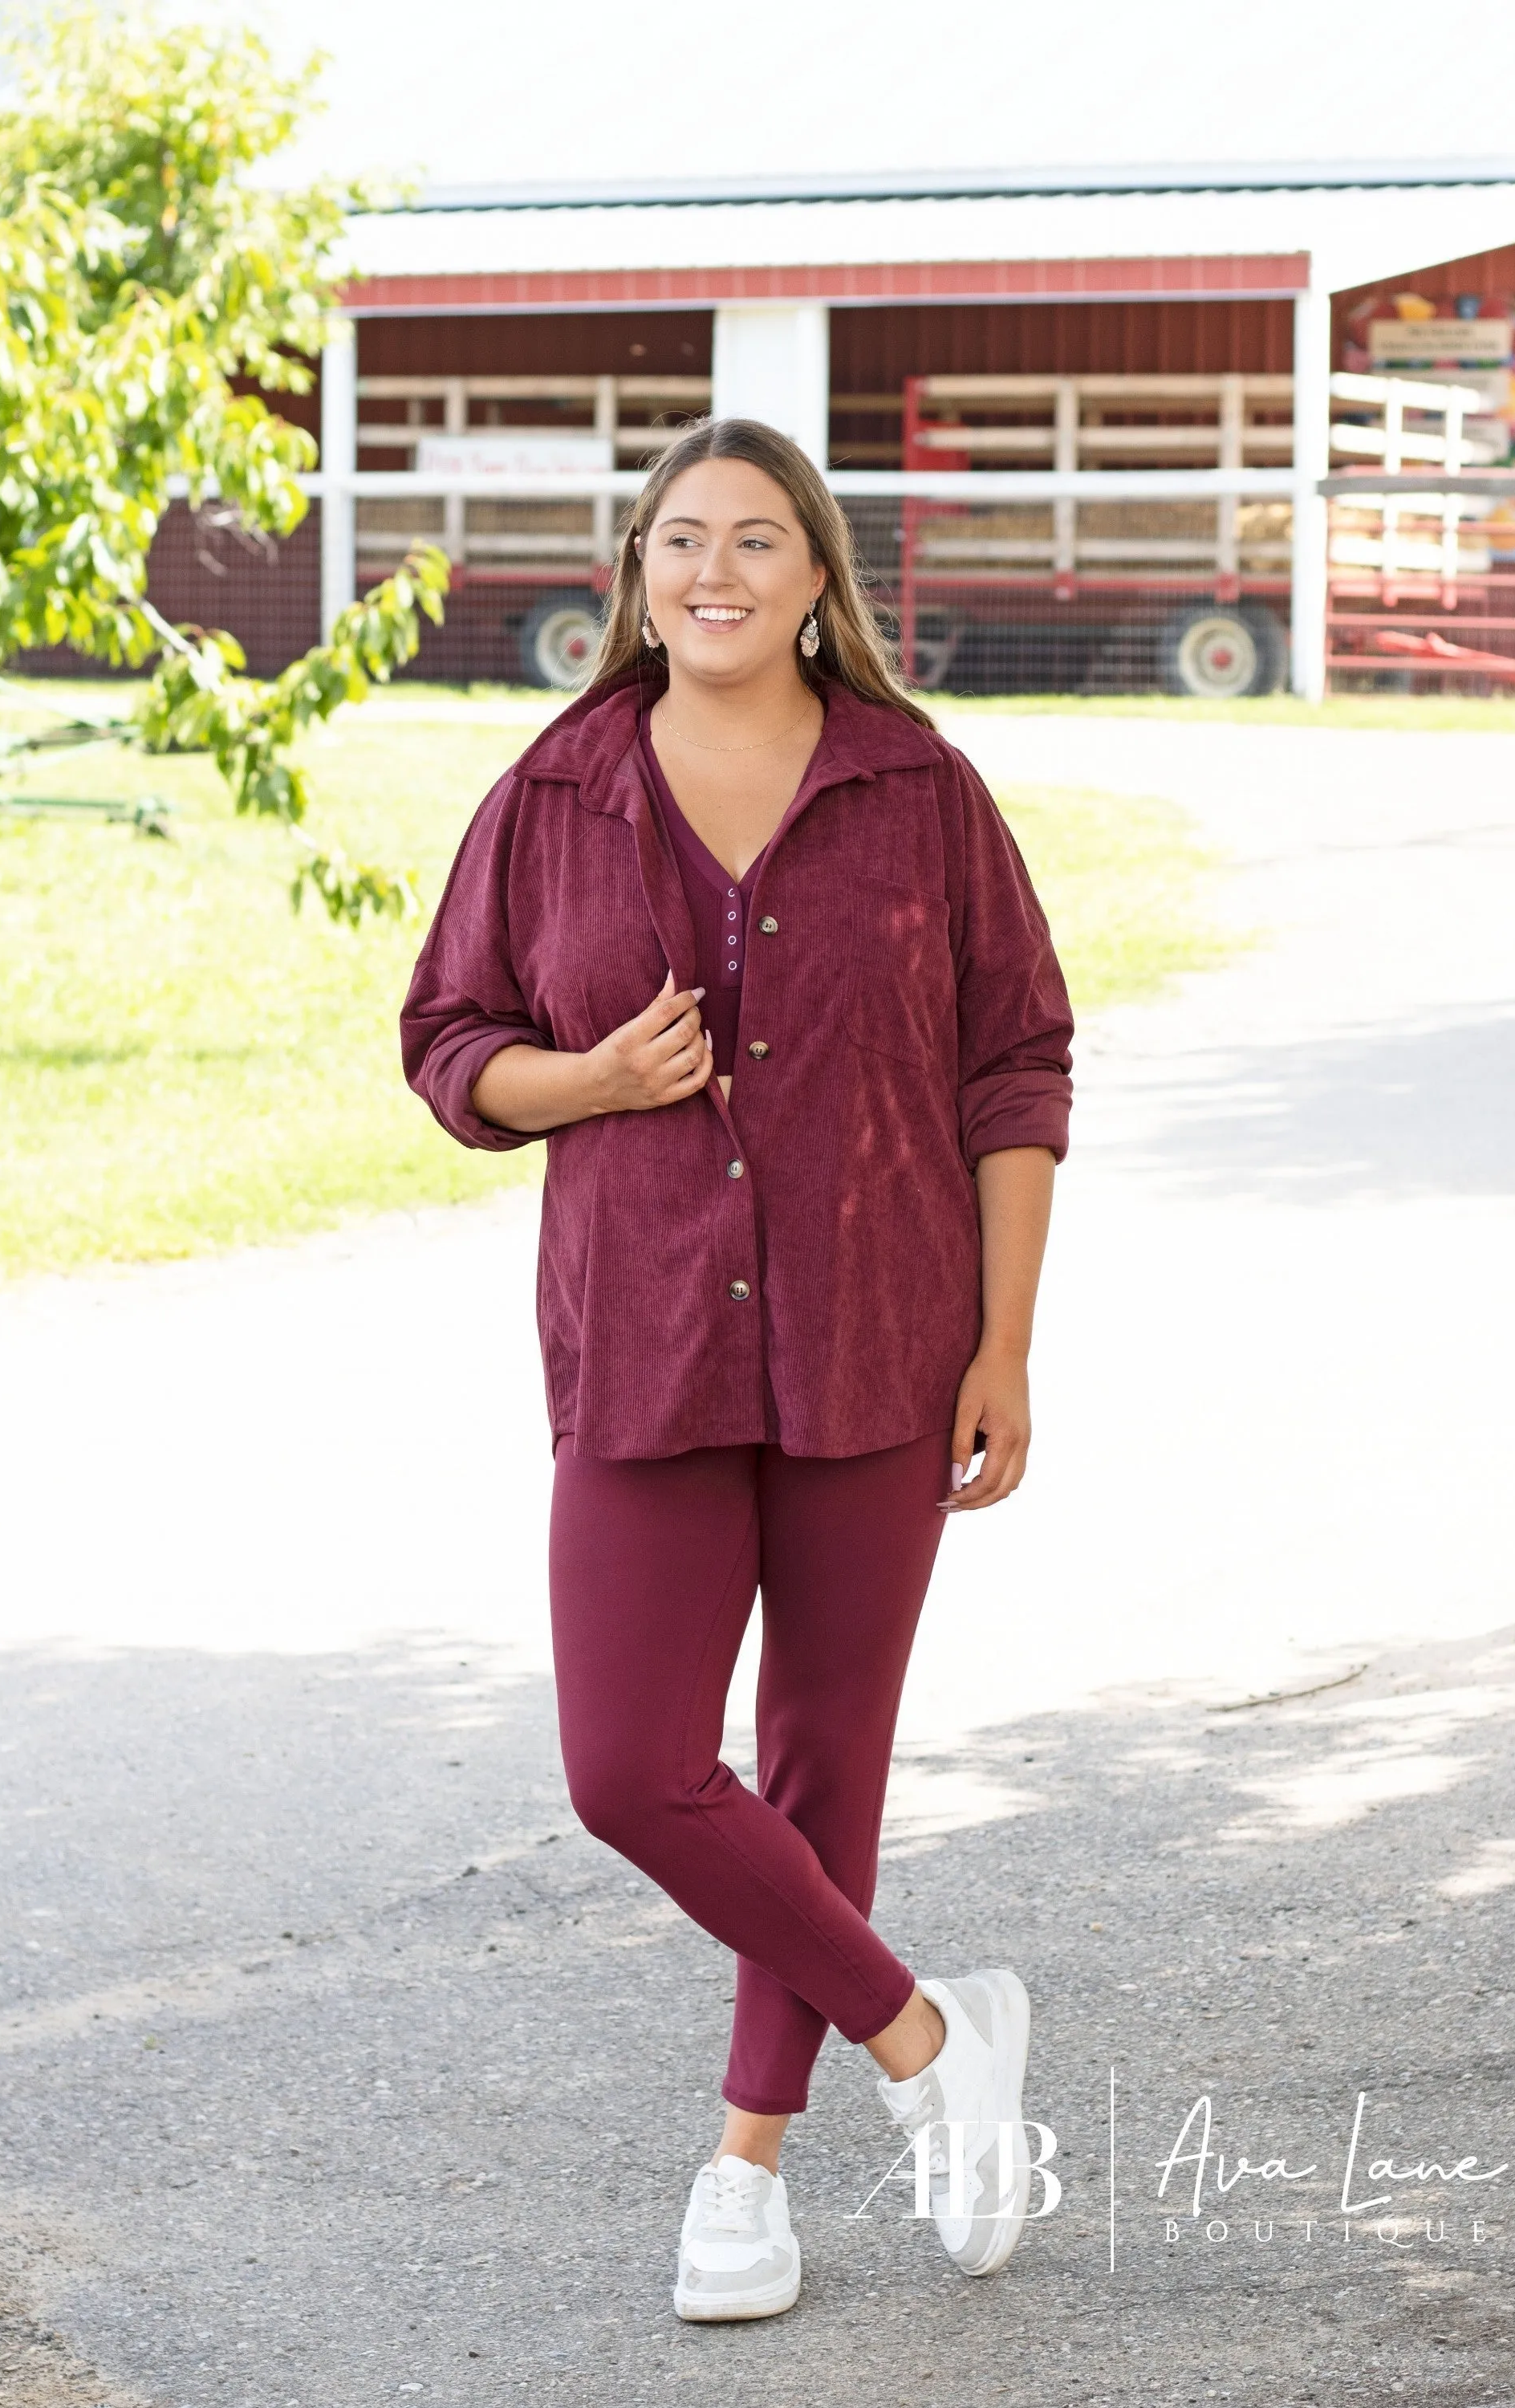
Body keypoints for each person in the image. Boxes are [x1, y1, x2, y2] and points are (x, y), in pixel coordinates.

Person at [401, 417, 1073, 2322]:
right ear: (635, 570)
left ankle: (746, 2175)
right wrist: (589, 1080)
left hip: (883, 1337)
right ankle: (935, 2042)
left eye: (757, 541)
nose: (714, 570)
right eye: (680, 538)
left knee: (819, 1765)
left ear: (815, 581)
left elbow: (1014, 1066)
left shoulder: (917, 787)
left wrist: (1005, 1342)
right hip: (643, 1343)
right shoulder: (551, 790)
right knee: (628, 1768)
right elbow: (450, 1041)